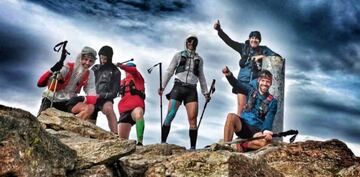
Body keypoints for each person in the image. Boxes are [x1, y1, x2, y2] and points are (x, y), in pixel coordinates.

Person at [214, 20, 279, 115]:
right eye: (252, 38)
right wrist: (219, 30)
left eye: (257, 38)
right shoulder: (243, 47)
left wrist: (262, 56)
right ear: (249, 39)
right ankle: (237, 128)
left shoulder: (264, 49)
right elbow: (229, 41)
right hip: (242, 81)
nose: (254, 40)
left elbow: (277, 57)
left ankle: (250, 128)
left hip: (254, 84)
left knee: (251, 109)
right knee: (241, 107)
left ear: (259, 41)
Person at [159, 35, 209, 150]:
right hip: (178, 87)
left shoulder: (199, 59)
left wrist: (205, 93)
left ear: (196, 44)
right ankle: (162, 143)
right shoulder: (178, 55)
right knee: (170, 114)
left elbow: (201, 76)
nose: (191, 44)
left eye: (194, 42)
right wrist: (162, 86)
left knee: (193, 119)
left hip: (192, 89)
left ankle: (192, 147)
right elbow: (169, 71)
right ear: (186, 42)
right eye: (189, 41)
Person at [222, 66, 278, 152]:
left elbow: (270, 117)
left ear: (271, 83)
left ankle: (243, 144)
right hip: (243, 126)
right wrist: (229, 75)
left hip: (257, 131)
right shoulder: (251, 90)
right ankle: (226, 147)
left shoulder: (273, 101)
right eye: (263, 80)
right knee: (231, 116)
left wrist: (266, 131)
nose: (265, 83)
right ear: (259, 81)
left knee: (265, 143)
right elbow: (237, 84)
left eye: (268, 82)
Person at [37, 46, 97, 120]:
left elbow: (93, 96)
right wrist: (52, 70)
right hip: (51, 99)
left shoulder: (90, 74)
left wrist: (81, 98)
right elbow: (40, 83)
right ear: (80, 58)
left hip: (68, 102)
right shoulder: (67, 67)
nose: (87, 63)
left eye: (91, 61)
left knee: (90, 108)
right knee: (40, 122)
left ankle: (75, 127)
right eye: (85, 59)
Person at [91, 46, 120, 133]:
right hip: (93, 98)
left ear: (110, 58)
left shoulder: (116, 71)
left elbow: (115, 93)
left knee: (109, 109)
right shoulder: (95, 68)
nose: (103, 60)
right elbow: (87, 83)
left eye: (105, 58)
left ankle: (115, 135)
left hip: (106, 99)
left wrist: (100, 95)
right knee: (89, 112)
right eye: (101, 58)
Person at [117, 62, 145, 145]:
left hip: (135, 108)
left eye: (129, 69)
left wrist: (122, 66)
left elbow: (133, 70)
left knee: (138, 113)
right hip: (124, 112)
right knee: (122, 142)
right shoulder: (122, 82)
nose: (127, 71)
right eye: (126, 70)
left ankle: (140, 142)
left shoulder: (138, 78)